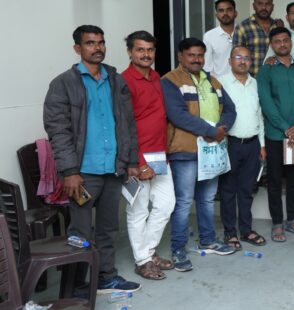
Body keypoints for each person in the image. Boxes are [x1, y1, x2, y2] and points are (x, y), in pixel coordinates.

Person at [43, 25, 141, 293]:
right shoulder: (63, 83)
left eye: (101, 42)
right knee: (80, 233)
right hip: (83, 174)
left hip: (113, 169)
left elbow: (128, 124)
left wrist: (131, 161)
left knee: (108, 229)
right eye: (90, 43)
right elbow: (58, 130)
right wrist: (69, 171)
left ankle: (106, 277)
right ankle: (75, 288)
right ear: (77, 48)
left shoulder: (115, 80)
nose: (97, 48)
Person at [162, 37, 238, 272]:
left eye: (200, 55)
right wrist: (211, 131)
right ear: (180, 56)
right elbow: (178, 115)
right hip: (185, 150)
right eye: (191, 55)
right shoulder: (170, 81)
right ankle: (178, 249)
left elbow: (231, 109)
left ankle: (208, 240)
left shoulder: (212, 81)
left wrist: (222, 128)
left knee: (206, 199)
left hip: (211, 151)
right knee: (184, 201)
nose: (196, 59)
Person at [122, 31, 175, 281]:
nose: (146, 54)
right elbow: (123, 125)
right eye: (140, 49)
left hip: (159, 156)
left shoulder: (156, 77)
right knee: (138, 211)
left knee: (166, 204)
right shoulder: (124, 81)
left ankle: (149, 251)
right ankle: (142, 260)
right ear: (130, 52)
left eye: (150, 49)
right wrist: (135, 162)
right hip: (137, 159)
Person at [258, 27, 294, 243]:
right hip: (275, 135)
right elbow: (266, 103)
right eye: (277, 41)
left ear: (291, 42)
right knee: (274, 180)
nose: (282, 44)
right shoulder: (266, 70)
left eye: (285, 40)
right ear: (272, 45)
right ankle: (277, 223)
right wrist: (285, 128)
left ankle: (292, 219)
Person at [217, 46, 266, 250]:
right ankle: (230, 232)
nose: (243, 61)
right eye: (238, 57)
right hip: (230, 144)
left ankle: (246, 230)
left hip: (252, 144)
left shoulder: (255, 83)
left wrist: (262, 144)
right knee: (228, 190)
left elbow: (259, 115)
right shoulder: (220, 83)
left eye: (246, 58)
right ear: (230, 61)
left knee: (246, 190)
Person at [233, 0, 278, 76]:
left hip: (275, 79)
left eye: (267, 4)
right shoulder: (243, 27)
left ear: (272, 6)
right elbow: (237, 57)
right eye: (260, 4)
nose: (264, 7)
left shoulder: (277, 27)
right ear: (254, 6)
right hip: (251, 80)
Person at [203, 0, 238, 77]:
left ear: (235, 13)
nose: (225, 13)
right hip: (219, 83)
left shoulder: (243, 32)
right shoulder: (209, 36)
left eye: (229, 10)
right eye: (221, 10)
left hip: (242, 81)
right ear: (216, 15)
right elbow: (207, 66)